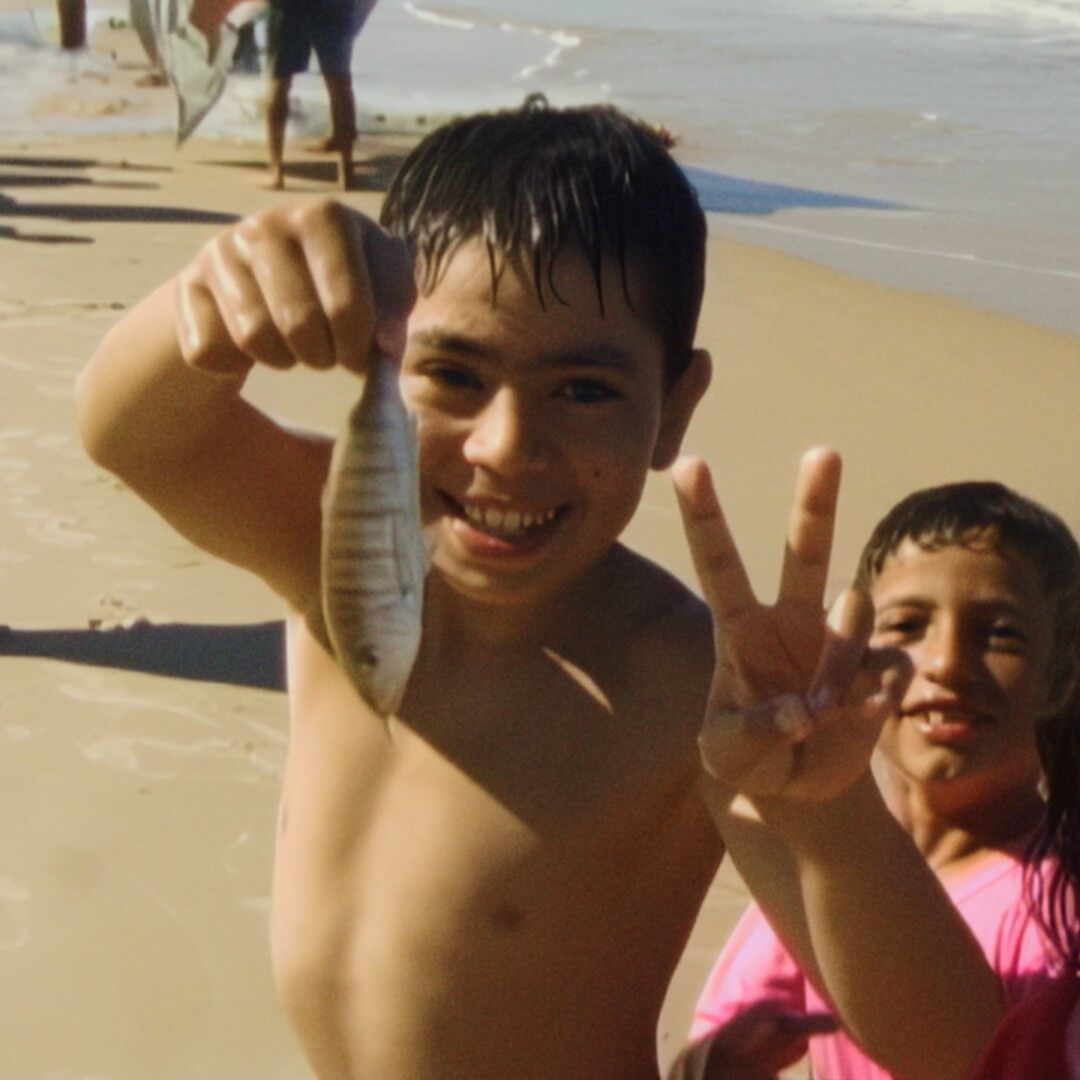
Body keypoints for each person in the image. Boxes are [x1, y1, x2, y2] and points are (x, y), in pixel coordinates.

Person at [76, 98, 724, 1079]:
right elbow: (132, 433)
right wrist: (209, 301)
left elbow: (929, 1034)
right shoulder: (336, 543)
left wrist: (835, 824)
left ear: (674, 409)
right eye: (454, 374)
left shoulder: (694, 681)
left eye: (584, 389)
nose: (505, 446)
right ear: (385, 360)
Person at [669, 463, 1080, 1079]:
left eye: (1000, 634)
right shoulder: (828, 870)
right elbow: (709, 1051)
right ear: (851, 652)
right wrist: (718, 1061)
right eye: (908, 626)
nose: (946, 663)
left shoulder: (1059, 902)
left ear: (1063, 673)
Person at [263, 0, 378, 191]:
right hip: (333, 7)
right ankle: (346, 172)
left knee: (280, 81)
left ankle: (276, 172)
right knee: (339, 82)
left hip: (289, 7)